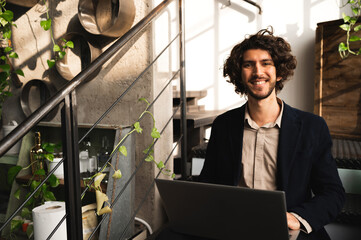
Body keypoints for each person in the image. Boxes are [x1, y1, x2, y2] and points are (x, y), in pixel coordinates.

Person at [198, 27, 345, 237]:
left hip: (288, 230)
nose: (258, 72)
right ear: (240, 74)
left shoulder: (312, 127)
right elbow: (207, 184)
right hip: (234, 228)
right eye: (248, 65)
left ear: (280, 72)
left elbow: (333, 193)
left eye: (266, 63)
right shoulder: (224, 125)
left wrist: (295, 218)